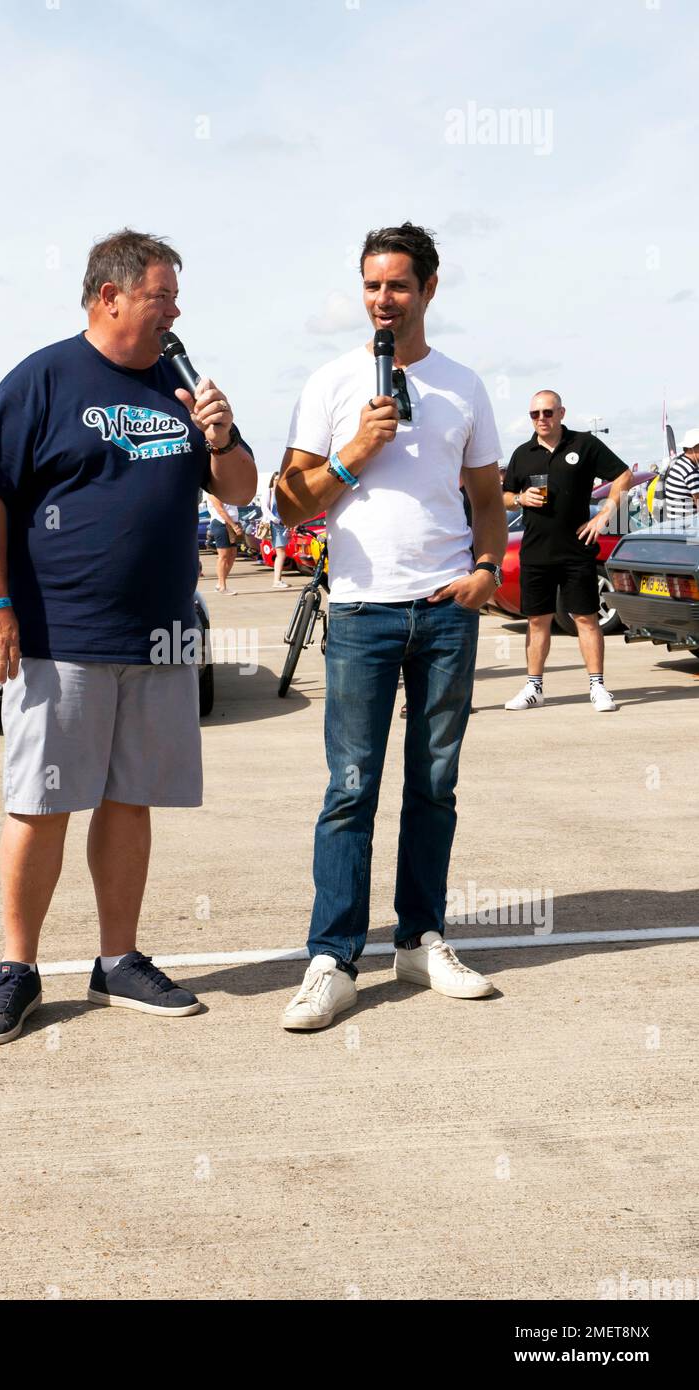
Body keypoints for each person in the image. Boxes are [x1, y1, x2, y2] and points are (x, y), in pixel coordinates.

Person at [0, 228, 255, 1045]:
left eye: (175, 298)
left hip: (159, 639)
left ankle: (116, 959)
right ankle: (17, 968)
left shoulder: (180, 388)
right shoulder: (46, 377)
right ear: (108, 296)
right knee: (41, 802)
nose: (175, 311)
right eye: (162, 296)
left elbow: (241, 489)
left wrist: (220, 436)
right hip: (60, 634)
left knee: (130, 799)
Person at [275, 221, 507, 1031]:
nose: (382, 299)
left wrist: (484, 570)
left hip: (446, 610)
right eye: (371, 285)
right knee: (349, 788)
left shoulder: (463, 386)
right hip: (362, 611)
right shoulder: (332, 382)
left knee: (433, 784)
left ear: (427, 291)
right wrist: (351, 454)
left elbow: (486, 497)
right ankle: (332, 959)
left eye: (397, 285)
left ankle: (419, 940)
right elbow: (286, 501)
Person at [501, 391, 631, 712]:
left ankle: (598, 687)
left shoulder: (584, 444)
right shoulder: (523, 453)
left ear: (561, 412)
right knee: (537, 621)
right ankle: (534, 688)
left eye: (547, 412)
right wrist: (520, 499)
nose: (541, 419)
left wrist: (605, 514)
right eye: (534, 414)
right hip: (535, 552)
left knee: (586, 618)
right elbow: (503, 496)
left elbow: (623, 475)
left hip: (577, 549)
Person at [205, 492, 242, 593]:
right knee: (224, 556)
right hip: (221, 524)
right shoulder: (212, 493)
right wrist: (234, 526)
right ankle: (222, 586)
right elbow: (221, 511)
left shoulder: (226, 490)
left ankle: (220, 583)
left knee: (233, 554)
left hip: (231, 524)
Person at [661, 428, 699, 525]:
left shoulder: (680, 464)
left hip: (676, 524)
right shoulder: (690, 470)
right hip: (687, 526)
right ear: (693, 448)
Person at [262, 470, 291, 588]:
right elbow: (265, 509)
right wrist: (276, 520)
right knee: (281, 553)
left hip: (283, 525)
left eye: (280, 480)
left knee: (282, 553)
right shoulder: (269, 492)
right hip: (274, 525)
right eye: (276, 479)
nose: (277, 482)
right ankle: (277, 581)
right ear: (272, 481)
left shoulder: (283, 493)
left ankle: (278, 579)